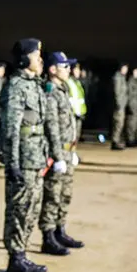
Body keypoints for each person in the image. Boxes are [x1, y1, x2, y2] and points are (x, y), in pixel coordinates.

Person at [0, 38, 49, 272]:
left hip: (36, 156)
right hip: (22, 160)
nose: (40, 58)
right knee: (19, 209)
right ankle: (16, 258)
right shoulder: (16, 86)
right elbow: (11, 129)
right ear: (23, 58)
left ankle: (23, 254)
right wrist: (12, 164)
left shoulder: (35, 85)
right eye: (35, 54)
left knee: (32, 208)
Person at [39, 52, 84, 257]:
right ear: (53, 70)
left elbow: (70, 124)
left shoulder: (63, 89)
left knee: (65, 194)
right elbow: (52, 127)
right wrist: (57, 157)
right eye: (64, 66)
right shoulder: (50, 91)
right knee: (52, 195)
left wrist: (72, 151)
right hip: (58, 152)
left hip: (67, 150)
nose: (69, 70)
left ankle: (60, 230)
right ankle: (48, 238)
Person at [66, 63, 87, 144]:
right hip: (72, 114)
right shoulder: (68, 82)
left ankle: (72, 153)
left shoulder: (77, 82)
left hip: (78, 113)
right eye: (76, 70)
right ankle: (69, 154)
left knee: (76, 136)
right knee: (71, 136)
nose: (79, 72)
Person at [110, 63, 129, 150]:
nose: (126, 70)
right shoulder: (118, 77)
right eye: (125, 68)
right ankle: (115, 141)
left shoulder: (122, 77)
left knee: (120, 124)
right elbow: (117, 92)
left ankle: (117, 140)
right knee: (118, 123)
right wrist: (119, 104)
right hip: (119, 105)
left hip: (122, 104)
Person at [125, 66, 137, 147]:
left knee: (136, 123)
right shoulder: (131, 81)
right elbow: (129, 94)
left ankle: (133, 139)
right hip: (133, 105)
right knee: (131, 124)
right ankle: (130, 140)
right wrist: (130, 105)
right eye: (136, 72)